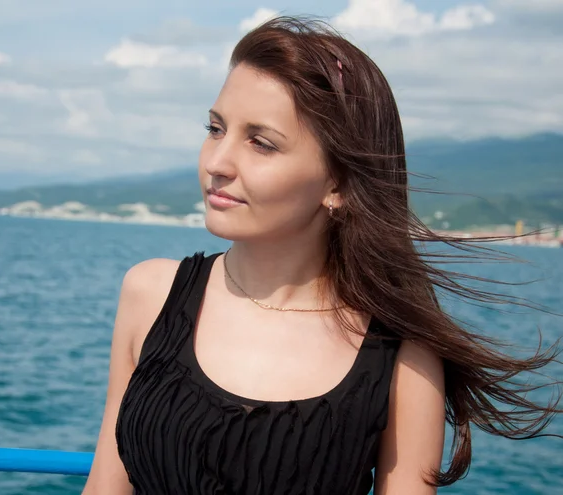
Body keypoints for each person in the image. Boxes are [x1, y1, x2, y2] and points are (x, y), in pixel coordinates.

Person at [82, 16, 561, 495]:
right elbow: (106, 485)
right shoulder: (150, 294)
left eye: (260, 143)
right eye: (215, 128)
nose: (216, 162)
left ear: (338, 183)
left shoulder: (401, 354)